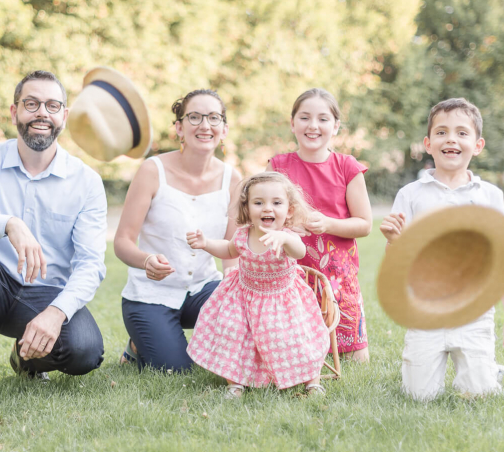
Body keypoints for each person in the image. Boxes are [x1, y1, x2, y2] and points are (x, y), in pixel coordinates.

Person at [0, 70, 107, 410]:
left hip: (42, 295)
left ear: (64, 117)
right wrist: (8, 223)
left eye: (53, 105)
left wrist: (55, 313)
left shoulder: (85, 181)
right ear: (15, 112)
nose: (42, 112)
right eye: (31, 104)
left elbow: (90, 264)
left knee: (84, 349)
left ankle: (26, 358)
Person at [380, 98, 504, 401]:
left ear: (477, 145)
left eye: (462, 133)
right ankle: (424, 371)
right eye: (442, 132)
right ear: (428, 143)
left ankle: (488, 370)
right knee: (418, 397)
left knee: (479, 394)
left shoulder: (489, 196)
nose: (451, 138)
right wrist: (393, 241)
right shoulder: (410, 195)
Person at [114, 89, 241, 372]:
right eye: (194, 117)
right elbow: (122, 241)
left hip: (204, 290)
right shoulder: (152, 170)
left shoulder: (233, 180)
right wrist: (146, 261)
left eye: (213, 118)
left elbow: (232, 250)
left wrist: (235, 301)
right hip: (151, 294)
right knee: (177, 370)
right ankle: (137, 345)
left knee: (232, 349)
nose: (205, 125)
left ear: (224, 129)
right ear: (179, 128)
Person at [185, 172, 330, 398]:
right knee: (231, 331)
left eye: (276, 203)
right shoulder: (243, 235)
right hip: (244, 297)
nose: (267, 208)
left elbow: (299, 250)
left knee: (296, 338)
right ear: (248, 208)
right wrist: (206, 244)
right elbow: (228, 250)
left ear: (289, 210)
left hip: (282, 301)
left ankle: (312, 381)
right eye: (258, 202)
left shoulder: (287, 236)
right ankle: (235, 382)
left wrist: (285, 239)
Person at [268, 88, 373, 362]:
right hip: (291, 267)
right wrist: (287, 223)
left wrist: (327, 223)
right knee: (292, 350)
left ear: (335, 126)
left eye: (323, 119)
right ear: (293, 124)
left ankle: (344, 347)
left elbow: (364, 224)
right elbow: (263, 216)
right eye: (304, 118)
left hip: (337, 272)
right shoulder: (278, 166)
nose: (313, 126)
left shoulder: (347, 167)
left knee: (355, 358)